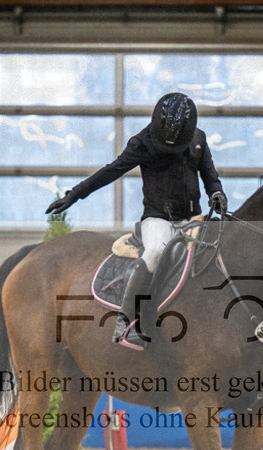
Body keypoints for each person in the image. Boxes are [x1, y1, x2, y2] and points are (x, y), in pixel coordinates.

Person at [46, 92, 227, 350]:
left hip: (194, 219)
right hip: (158, 219)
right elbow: (111, 171)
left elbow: (210, 176)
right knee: (154, 252)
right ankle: (127, 320)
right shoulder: (143, 143)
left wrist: (217, 194)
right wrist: (75, 194)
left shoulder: (198, 139)